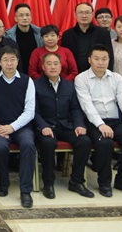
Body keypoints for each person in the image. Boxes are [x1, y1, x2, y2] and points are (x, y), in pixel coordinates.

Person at [75, 44, 122, 197]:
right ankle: (104, 183)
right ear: (89, 60)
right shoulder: (81, 78)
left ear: (109, 60)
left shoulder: (116, 78)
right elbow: (87, 105)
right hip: (93, 122)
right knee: (105, 143)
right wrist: (101, 124)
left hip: (115, 120)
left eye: (104, 59)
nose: (100, 62)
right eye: (97, 58)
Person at [34, 53, 94, 199]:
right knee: (48, 143)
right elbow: (33, 111)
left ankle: (76, 181)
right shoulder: (35, 85)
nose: (53, 67)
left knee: (84, 141)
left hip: (65, 126)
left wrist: (79, 125)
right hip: (46, 126)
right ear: (43, 67)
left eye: (56, 63)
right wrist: (43, 126)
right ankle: (48, 183)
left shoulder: (69, 85)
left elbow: (75, 109)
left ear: (61, 66)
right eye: (49, 63)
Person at [0, 46, 36, 208]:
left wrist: (12, 127)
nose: (9, 63)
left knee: (28, 145)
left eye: (12, 59)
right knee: (0, 147)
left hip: (21, 127)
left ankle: (26, 190)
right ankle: (4, 182)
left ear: (17, 61)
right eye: (5, 60)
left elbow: (30, 111)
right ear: (0, 62)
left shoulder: (27, 81)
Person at [60, 2, 115, 73]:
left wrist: (107, 74)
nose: (84, 15)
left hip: (97, 74)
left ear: (92, 14)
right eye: (80, 12)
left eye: (87, 12)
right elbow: (64, 58)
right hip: (74, 74)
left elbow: (109, 56)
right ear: (75, 15)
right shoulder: (67, 34)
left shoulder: (103, 33)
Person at [4, 4, 44, 75]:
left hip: (37, 73)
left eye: (27, 15)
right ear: (15, 18)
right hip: (17, 73)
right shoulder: (8, 36)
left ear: (31, 18)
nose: (25, 18)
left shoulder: (40, 34)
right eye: (21, 15)